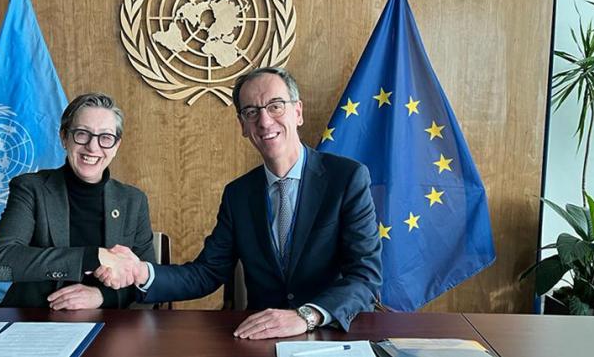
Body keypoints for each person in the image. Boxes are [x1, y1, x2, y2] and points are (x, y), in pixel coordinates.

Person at [97, 67, 382, 339]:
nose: (265, 120)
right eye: (251, 112)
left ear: (298, 112)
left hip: (330, 333)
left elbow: (365, 276)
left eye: (275, 106)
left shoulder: (347, 178)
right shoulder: (239, 194)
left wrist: (305, 316)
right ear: (243, 126)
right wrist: (141, 272)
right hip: (260, 337)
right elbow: (207, 273)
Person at [0, 92, 155, 309]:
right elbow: (1, 262)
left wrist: (102, 297)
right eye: (82, 134)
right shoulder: (31, 188)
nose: (93, 148)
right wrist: (91, 257)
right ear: (64, 137)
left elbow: (149, 282)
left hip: (107, 324)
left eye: (105, 137)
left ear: (116, 145)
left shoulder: (133, 200)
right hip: (34, 320)